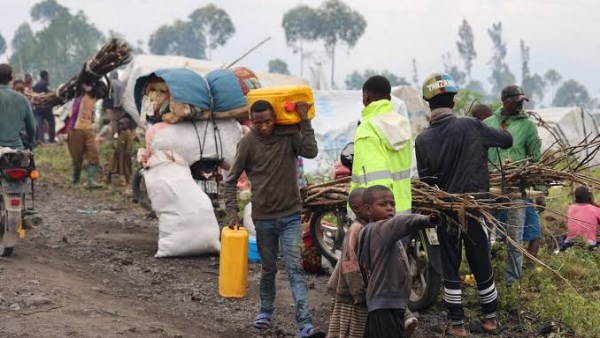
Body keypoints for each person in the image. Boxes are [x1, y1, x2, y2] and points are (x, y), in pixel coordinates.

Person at [415, 72, 513, 336]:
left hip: (446, 211)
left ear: (429, 103)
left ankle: (457, 325)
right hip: (474, 209)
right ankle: (490, 319)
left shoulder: (422, 140)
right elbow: (507, 141)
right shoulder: (472, 126)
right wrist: (496, 128)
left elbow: (426, 182)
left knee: (450, 265)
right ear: (454, 101)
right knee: (480, 259)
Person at [224, 100, 323, 338]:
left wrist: (304, 121)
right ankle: (265, 312)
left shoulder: (289, 135)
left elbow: (311, 151)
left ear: (275, 118)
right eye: (258, 123)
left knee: (295, 269)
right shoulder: (247, 143)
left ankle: (305, 324)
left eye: (268, 121)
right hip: (263, 218)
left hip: (290, 215)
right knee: (268, 269)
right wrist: (232, 213)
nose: (264, 126)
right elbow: (230, 179)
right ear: (252, 121)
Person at [357, 185, 440, 338]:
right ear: (368, 209)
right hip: (386, 305)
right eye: (383, 204)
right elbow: (404, 221)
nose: (390, 208)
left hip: (385, 303)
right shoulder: (380, 229)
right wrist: (427, 219)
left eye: (392, 204)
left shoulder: (372, 231)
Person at [485, 85, 541, 285]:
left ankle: (512, 282)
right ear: (504, 101)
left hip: (516, 188)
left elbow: (536, 159)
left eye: (522, 102)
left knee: (514, 237)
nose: (520, 106)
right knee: (484, 233)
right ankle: (485, 278)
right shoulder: (488, 123)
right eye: (516, 102)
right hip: (489, 187)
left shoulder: (528, 126)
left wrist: (539, 190)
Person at [350, 75, 412, 214]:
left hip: (379, 217)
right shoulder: (403, 125)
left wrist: (370, 216)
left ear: (366, 97)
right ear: (389, 98)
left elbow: (375, 178)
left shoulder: (368, 128)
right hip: (403, 212)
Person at [326, 188, 368, 338]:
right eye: (368, 205)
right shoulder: (356, 229)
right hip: (350, 295)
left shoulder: (367, 227)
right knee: (349, 330)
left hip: (355, 293)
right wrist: (359, 294)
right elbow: (349, 265)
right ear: (356, 208)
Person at [67, 81, 108, 188]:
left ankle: (91, 180)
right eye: (101, 91)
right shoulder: (82, 94)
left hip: (89, 129)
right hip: (76, 129)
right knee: (77, 157)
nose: (102, 94)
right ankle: (76, 180)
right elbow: (82, 80)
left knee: (93, 153)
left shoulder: (95, 100)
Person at [0, 64, 35, 149]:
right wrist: (30, 142)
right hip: (16, 150)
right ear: (11, 78)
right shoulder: (23, 99)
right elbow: (32, 128)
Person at [109, 117, 134, 185]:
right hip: (118, 153)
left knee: (125, 167)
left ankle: (127, 181)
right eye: (119, 124)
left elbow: (129, 143)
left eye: (122, 124)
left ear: (127, 124)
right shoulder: (121, 132)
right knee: (113, 166)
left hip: (124, 154)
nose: (120, 126)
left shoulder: (128, 133)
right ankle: (109, 179)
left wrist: (128, 151)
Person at [32, 70, 55, 143]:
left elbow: (33, 95)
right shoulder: (46, 84)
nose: (48, 77)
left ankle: (40, 140)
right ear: (45, 76)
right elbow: (50, 93)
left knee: (40, 125)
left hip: (38, 109)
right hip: (47, 108)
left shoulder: (36, 85)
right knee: (51, 123)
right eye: (48, 75)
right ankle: (51, 139)